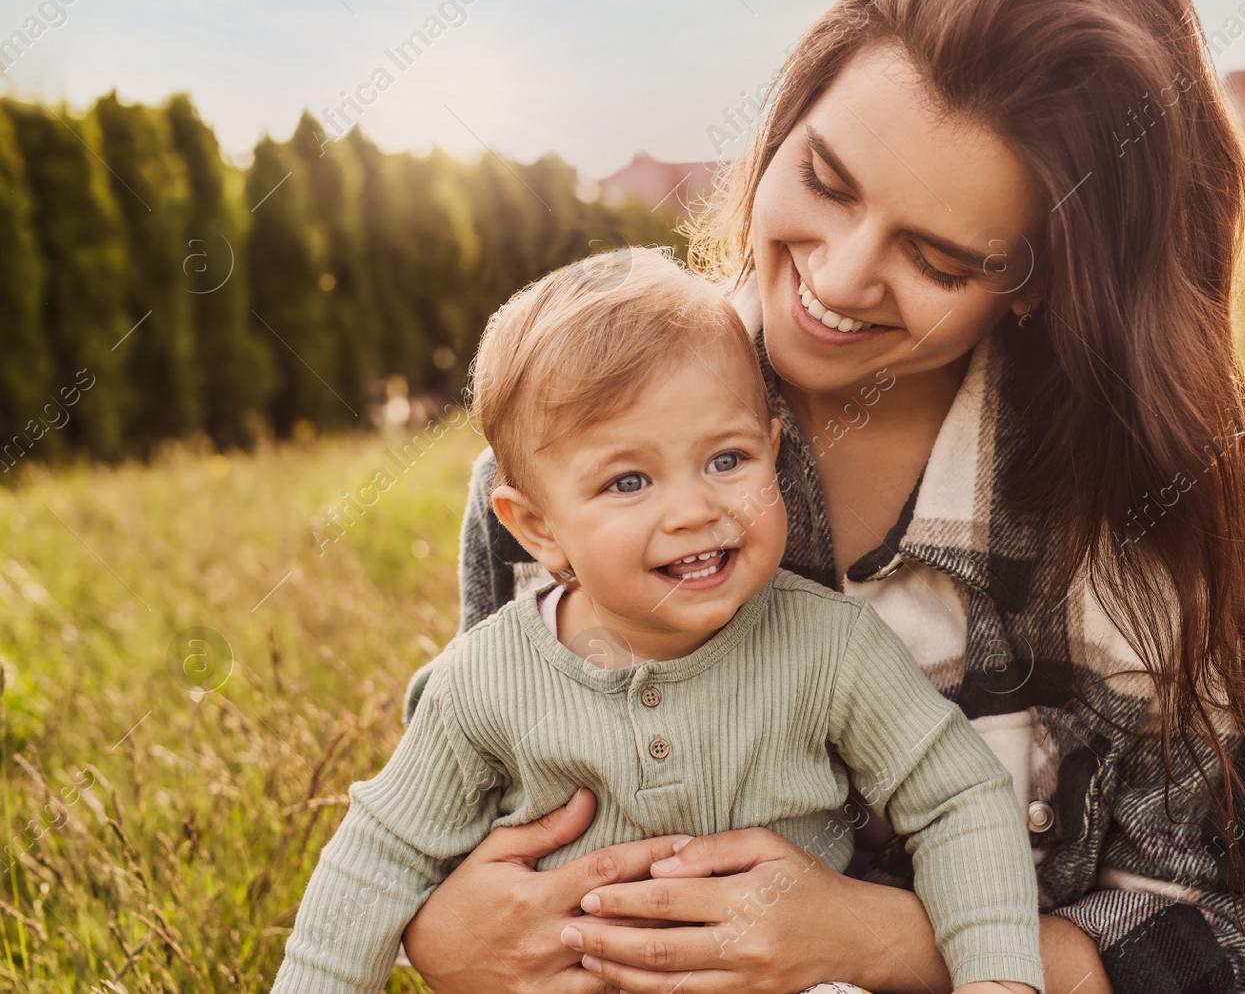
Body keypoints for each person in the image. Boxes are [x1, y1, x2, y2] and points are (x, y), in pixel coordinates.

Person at [401, 0, 1245, 992]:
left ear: (1039, 282)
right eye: (825, 179)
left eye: (938, 257)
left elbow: (1234, 934)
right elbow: (469, 807)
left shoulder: (1129, 520)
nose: (839, 274)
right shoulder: (567, 461)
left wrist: (879, 941)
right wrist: (440, 928)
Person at [274, 250, 1044, 994]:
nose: (694, 511)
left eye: (726, 460)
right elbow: (379, 853)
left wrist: (997, 975)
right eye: (630, 480)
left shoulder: (830, 649)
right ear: (536, 527)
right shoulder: (484, 681)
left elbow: (957, 797)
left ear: (773, 452)